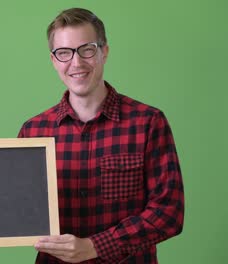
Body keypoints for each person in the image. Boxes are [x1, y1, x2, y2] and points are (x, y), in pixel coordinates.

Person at [18, 8, 184, 264]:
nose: (76, 63)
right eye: (64, 53)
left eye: (87, 49)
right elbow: (14, 209)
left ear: (104, 52)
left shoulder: (148, 122)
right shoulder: (33, 132)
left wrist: (94, 246)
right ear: (53, 60)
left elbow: (168, 213)